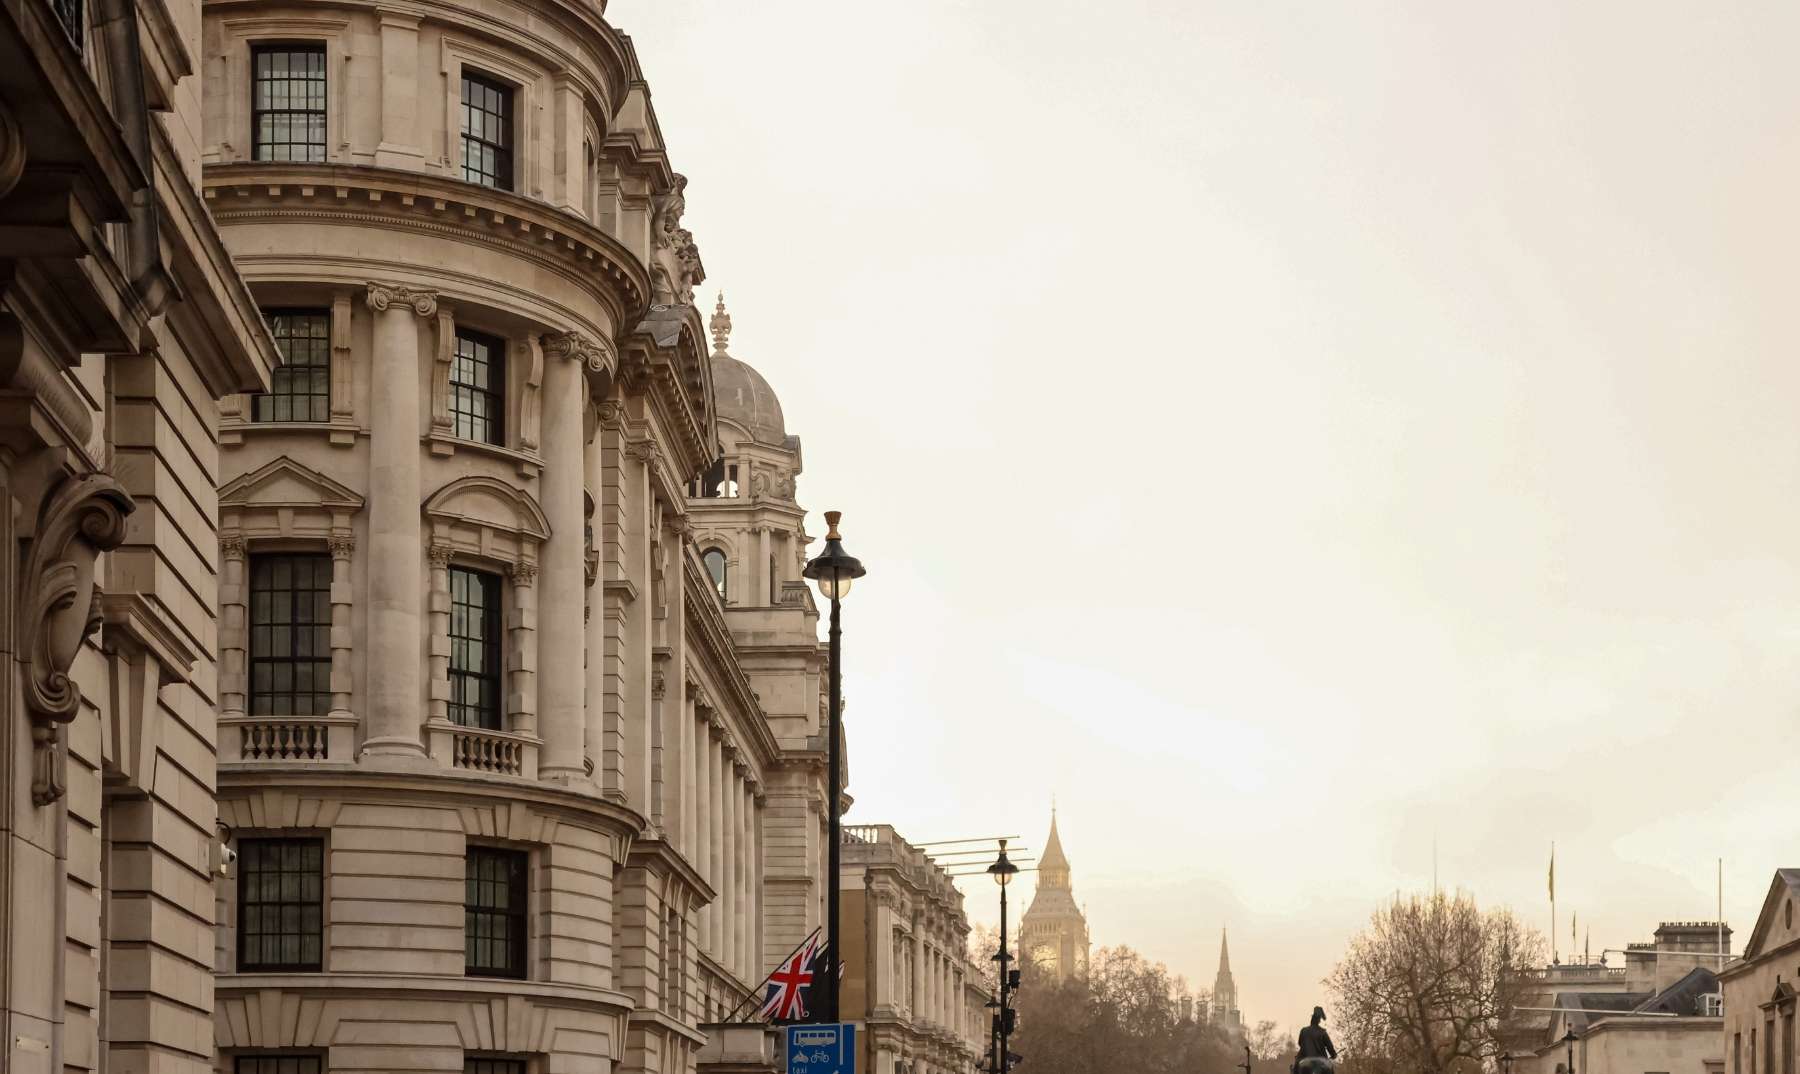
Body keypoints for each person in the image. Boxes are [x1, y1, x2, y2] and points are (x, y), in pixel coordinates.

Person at [1294, 1006, 1337, 1074]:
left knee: (1295, 1068)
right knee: (1330, 1069)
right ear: (1319, 1021)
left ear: (1311, 1019)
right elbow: (1330, 1047)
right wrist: (1333, 1055)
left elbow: (1300, 1043)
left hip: (1305, 1060)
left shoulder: (1304, 1031)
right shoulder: (1323, 1032)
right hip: (1322, 1060)